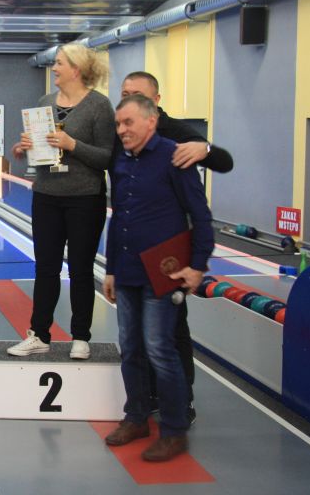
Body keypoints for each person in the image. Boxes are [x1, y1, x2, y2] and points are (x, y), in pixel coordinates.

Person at [102, 94, 214, 462]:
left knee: (160, 350)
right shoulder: (121, 161)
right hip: (128, 271)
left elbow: (201, 215)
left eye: (128, 122)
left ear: (151, 121)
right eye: (118, 124)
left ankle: (174, 430)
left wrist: (197, 265)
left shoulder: (174, 157)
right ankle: (136, 417)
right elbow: (119, 218)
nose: (122, 130)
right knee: (130, 348)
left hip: (161, 273)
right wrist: (111, 269)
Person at [120, 70, 234, 422]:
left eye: (137, 94)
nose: (129, 100)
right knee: (135, 338)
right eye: (124, 93)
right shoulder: (122, 130)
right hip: (131, 249)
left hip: (168, 252)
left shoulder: (177, 134)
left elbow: (224, 162)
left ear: (156, 102)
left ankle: (181, 401)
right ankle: (146, 401)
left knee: (170, 331)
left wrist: (206, 148)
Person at [7, 42, 116, 359]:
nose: (53, 68)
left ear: (76, 69)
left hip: (85, 198)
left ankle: (80, 337)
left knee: (81, 270)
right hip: (47, 196)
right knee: (46, 269)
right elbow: (42, 150)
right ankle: (39, 334)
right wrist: (25, 147)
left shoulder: (99, 106)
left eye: (59, 63)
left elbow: (107, 157)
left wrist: (72, 144)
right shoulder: (45, 102)